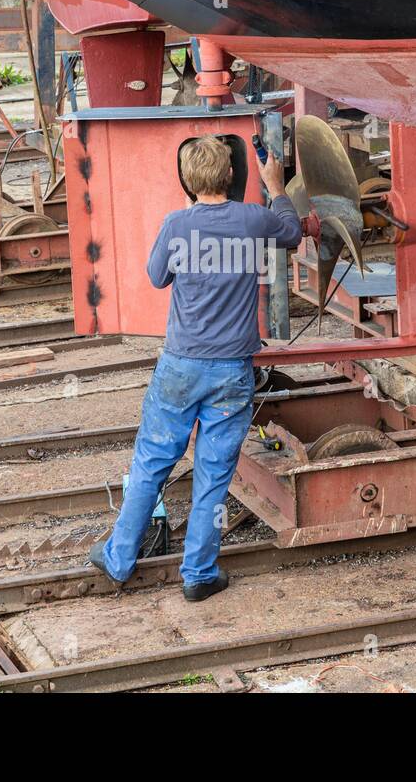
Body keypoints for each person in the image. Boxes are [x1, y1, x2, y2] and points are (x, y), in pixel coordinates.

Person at [90, 135, 304, 601]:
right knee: (212, 475)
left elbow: (156, 276)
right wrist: (276, 186)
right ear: (230, 175)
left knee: (151, 465)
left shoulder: (176, 224)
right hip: (231, 369)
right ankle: (198, 574)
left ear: (187, 181)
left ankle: (120, 558)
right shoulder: (253, 219)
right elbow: (292, 231)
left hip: (181, 366)